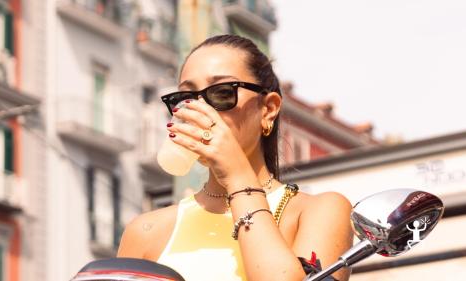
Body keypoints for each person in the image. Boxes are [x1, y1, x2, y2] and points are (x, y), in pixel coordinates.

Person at [118, 34, 353, 281]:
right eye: (186, 99)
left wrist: (237, 177)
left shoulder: (317, 211)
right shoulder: (147, 231)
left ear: (269, 109)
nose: (201, 110)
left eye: (221, 93)